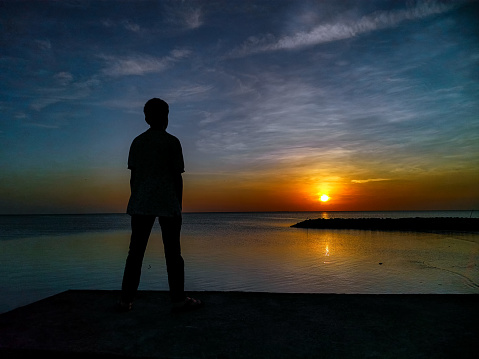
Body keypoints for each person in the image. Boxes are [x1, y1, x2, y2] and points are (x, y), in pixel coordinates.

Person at [118, 98, 203, 312]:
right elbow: (177, 177)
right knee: (173, 254)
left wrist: (136, 199)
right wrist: (178, 206)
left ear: (147, 117)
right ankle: (178, 299)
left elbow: (134, 177)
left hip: (142, 203)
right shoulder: (171, 142)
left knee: (135, 254)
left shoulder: (138, 142)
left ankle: (126, 300)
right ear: (165, 117)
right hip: (167, 203)